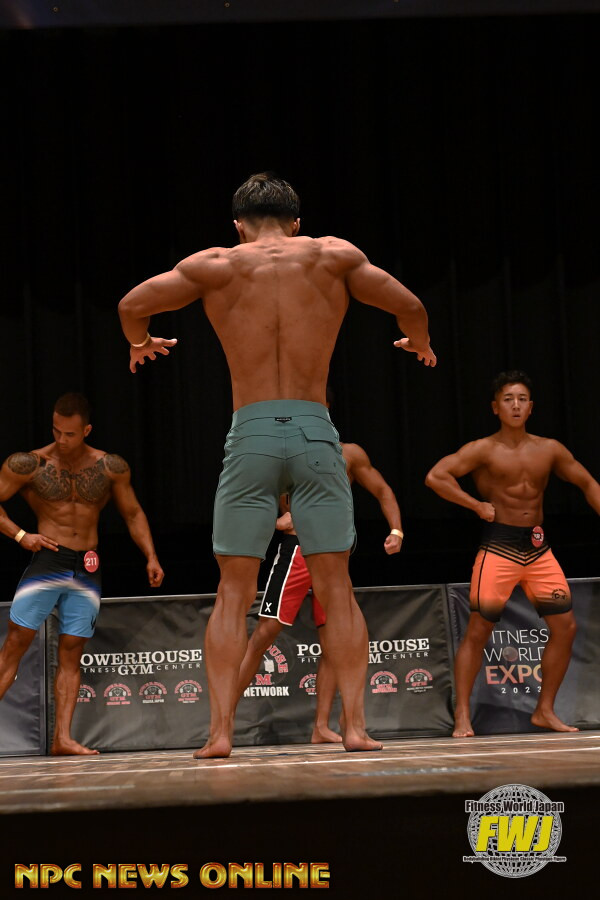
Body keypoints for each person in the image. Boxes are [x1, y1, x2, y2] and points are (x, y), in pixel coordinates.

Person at [118, 172, 436, 758]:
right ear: (296, 223)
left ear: (238, 226)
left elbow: (131, 305)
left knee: (232, 593)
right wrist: (417, 341)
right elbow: (411, 306)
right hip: (316, 433)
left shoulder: (217, 264)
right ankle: (356, 729)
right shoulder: (333, 256)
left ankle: (219, 734)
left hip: (252, 436)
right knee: (337, 589)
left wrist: (140, 342)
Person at [425, 370, 600, 737]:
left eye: (522, 399)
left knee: (566, 627)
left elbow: (587, 483)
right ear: (496, 407)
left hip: (538, 549)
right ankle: (462, 716)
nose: (516, 405)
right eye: (508, 399)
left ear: (531, 407)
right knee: (479, 629)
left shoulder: (549, 449)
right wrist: (475, 505)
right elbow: (436, 476)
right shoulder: (483, 449)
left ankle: (544, 710)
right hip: (498, 548)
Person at [0, 393, 164, 755]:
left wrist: (151, 556)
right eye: (56, 431)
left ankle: (63, 739)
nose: (62, 440)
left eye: (70, 434)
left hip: (87, 568)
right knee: (15, 644)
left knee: (72, 651)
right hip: (48, 560)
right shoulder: (29, 464)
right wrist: (22, 535)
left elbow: (133, 513)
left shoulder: (110, 467)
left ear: (87, 430)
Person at [238, 440, 403, 744]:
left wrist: (396, 530)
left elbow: (382, 490)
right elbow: (248, 495)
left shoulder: (349, 453)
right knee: (264, 635)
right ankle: (222, 721)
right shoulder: (283, 449)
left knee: (334, 642)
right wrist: (275, 520)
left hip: (334, 555)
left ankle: (321, 727)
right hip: (298, 551)